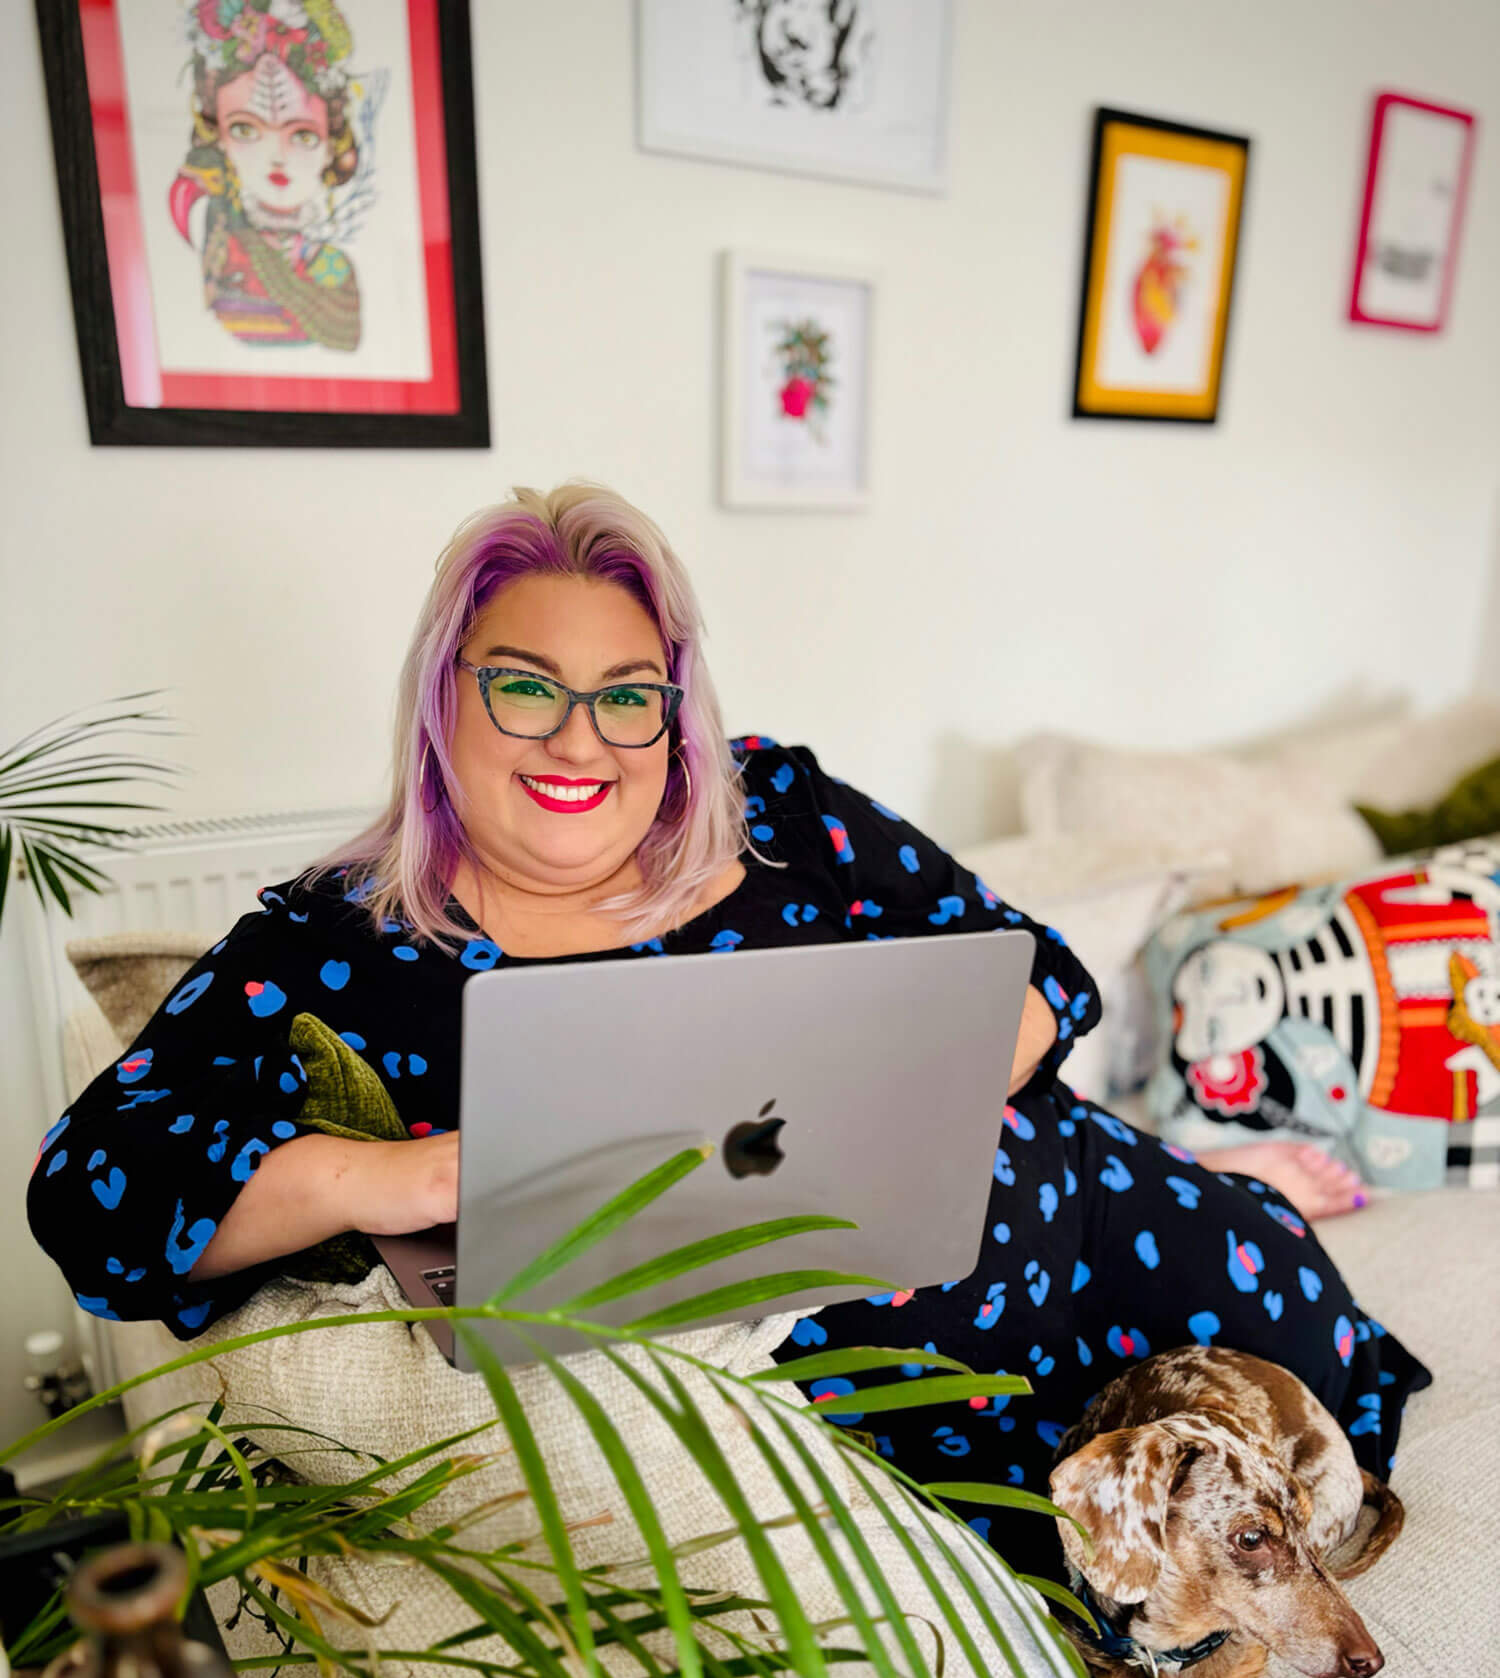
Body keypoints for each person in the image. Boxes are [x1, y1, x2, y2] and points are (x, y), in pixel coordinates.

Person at [28, 485, 1431, 1583]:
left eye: (629, 694)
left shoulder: (779, 808)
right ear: (445, 700)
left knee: (1322, 1354)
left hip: (1115, 1231)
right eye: (526, 684)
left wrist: (912, 1104)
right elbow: (94, 1198)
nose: (582, 741)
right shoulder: (338, 940)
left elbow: (1048, 979)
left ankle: (1242, 1187)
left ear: (675, 713)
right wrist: (432, 1174)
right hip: (924, 1401)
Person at [170, 0, 365, 353]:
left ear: (331, 148)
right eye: (245, 130)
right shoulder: (219, 251)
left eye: (302, 136)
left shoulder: (334, 269)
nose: (276, 157)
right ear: (219, 139)